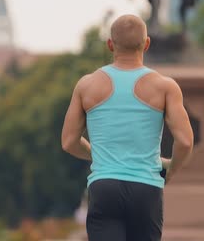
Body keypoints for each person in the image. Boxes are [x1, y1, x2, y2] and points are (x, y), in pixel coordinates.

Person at [61, 14, 194, 241]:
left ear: (110, 44)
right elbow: (185, 141)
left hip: (104, 188)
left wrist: (101, 155)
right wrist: (170, 170)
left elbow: (69, 142)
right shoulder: (165, 87)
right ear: (147, 43)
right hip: (146, 189)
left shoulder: (87, 85)